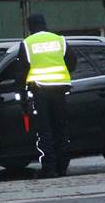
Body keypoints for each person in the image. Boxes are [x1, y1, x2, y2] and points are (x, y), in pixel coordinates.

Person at [15, 13, 77, 178]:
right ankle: (62, 166)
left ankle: (49, 168)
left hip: (40, 91)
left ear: (30, 27)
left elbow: (21, 73)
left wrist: (22, 94)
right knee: (61, 128)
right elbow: (72, 62)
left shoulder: (27, 44)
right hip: (60, 90)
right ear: (44, 24)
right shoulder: (59, 40)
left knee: (45, 130)